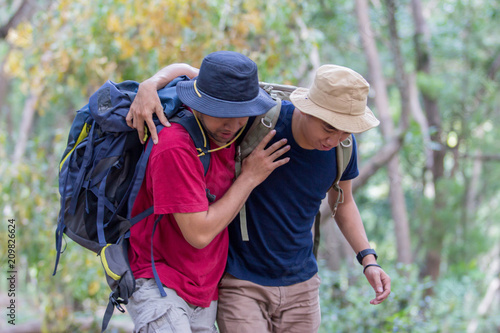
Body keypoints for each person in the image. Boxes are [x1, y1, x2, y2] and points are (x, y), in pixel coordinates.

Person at [127, 61, 391, 333]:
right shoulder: (255, 119)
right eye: (328, 128)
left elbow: (343, 202)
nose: (334, 139)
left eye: (346, 131)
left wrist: (368, 259)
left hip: (302, 285)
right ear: (306, 108)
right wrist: (149, 85)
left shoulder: (343, 148)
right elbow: (199, 76)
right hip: (241, 281)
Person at [125, 51, 290, 333]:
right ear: (198, 102)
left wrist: (150, 84)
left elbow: (185, 70)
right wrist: (249, 177)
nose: (232, 124)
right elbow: (199, 233)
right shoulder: (175, 146)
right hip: (160, 282)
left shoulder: (225, 126)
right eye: (221, 112)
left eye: (241, 114)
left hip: (203, 290)